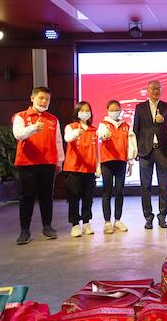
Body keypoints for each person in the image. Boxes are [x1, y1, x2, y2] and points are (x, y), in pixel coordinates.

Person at [12, 86, 64, 245]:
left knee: (46, 196)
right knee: (26, 197)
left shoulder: (53, 119)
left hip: (48, 162)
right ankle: (25, 231)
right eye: (41, 98)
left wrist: (59, 160)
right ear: (32, 98)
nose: (44, 101)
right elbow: (18, 134)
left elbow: (58, 141)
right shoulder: (21, 116)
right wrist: (33, 128)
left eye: (47, 99)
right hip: (27, 162)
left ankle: (47, 227)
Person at [133, 80, 167, 229]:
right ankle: (148, 217)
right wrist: (135, 150)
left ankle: (162, 217)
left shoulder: (166, 106)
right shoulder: (140, 107)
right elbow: (136, 129)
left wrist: (162, 118)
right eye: (153, 88)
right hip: (145, 150)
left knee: (163, 186)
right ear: (148, 91)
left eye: (158, 89)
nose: (156, 91)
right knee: (145, 186)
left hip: (162, 150)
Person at [97, 100, 137, 234]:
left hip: (121, 161)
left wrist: (130, 162)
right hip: (107, 161)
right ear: (107, 111)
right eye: (112, 110)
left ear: (120, 111)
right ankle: (107, 222)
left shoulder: (126, 126)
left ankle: (118, 220)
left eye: (116, 110)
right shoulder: (104, 124)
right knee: (107, 192)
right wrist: (104, 135)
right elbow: (100, 133)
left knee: (119, 191)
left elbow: (131, 144)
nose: (114, 112)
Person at [63, 101, 97, 238]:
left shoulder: (93, 130)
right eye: (82, 110)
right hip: (74, 169)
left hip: (89, 169)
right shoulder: (70, 127)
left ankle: (86, 222)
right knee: (74, 197)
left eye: (87, 110)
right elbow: (67, 138)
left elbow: (96, 150)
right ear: (77, 112)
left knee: (88, 197)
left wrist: (97, 167)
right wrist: (76, 133)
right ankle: (75, 224)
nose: (85, 113)